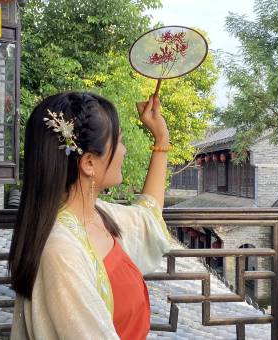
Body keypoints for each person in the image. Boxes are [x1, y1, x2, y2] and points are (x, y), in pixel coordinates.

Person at [9, 91, 173, 340]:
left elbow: (147, 214)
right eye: (118, 142)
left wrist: (161, 139)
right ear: (88, 163)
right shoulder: (60, 252)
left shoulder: (99, 215)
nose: (124, 151)